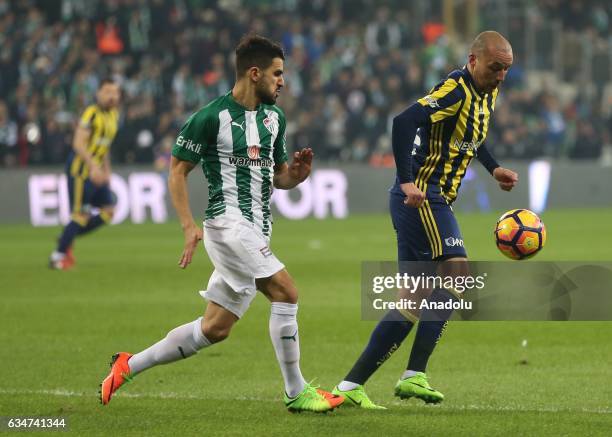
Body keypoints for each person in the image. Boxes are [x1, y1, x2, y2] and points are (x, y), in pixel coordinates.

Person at [99, 34, 344, 413]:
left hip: (258, 227)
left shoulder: (274, 118)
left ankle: (128, 365)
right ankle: (296, 391)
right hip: (228, 224)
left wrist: (297, 175)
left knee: (215, 328)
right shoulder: (210, 117)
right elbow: (177, 170)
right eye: (277, 74)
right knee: (286, 292)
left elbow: (277, 176)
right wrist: (188, 225)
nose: (282, 81)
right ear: (254, 73)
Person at [332, 31, 519, 408]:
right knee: (458, 273)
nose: (500, 76)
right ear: (473, 60)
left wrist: (493, 168)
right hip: (423, 195)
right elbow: (403, 122)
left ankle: (350, 387)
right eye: (495, 68)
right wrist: (405, 180)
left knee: (413, 298)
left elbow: (472, 136)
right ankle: (414, 374)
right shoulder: (455, 89)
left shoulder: (488, 92)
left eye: (506, 70)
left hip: (426, 198)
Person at [49, 79, 120, 270]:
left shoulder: (114, 115)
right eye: (107, 91)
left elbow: (105, 146)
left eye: (115, 92)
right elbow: (78, 144)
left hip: (97, 172)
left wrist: (107, 170)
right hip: (80, 172)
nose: (111, 96)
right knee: (80, 214)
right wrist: (93, 167)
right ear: (98, 94)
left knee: (109, 211)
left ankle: (66, 236)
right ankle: (57, 256)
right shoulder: (91, 113)